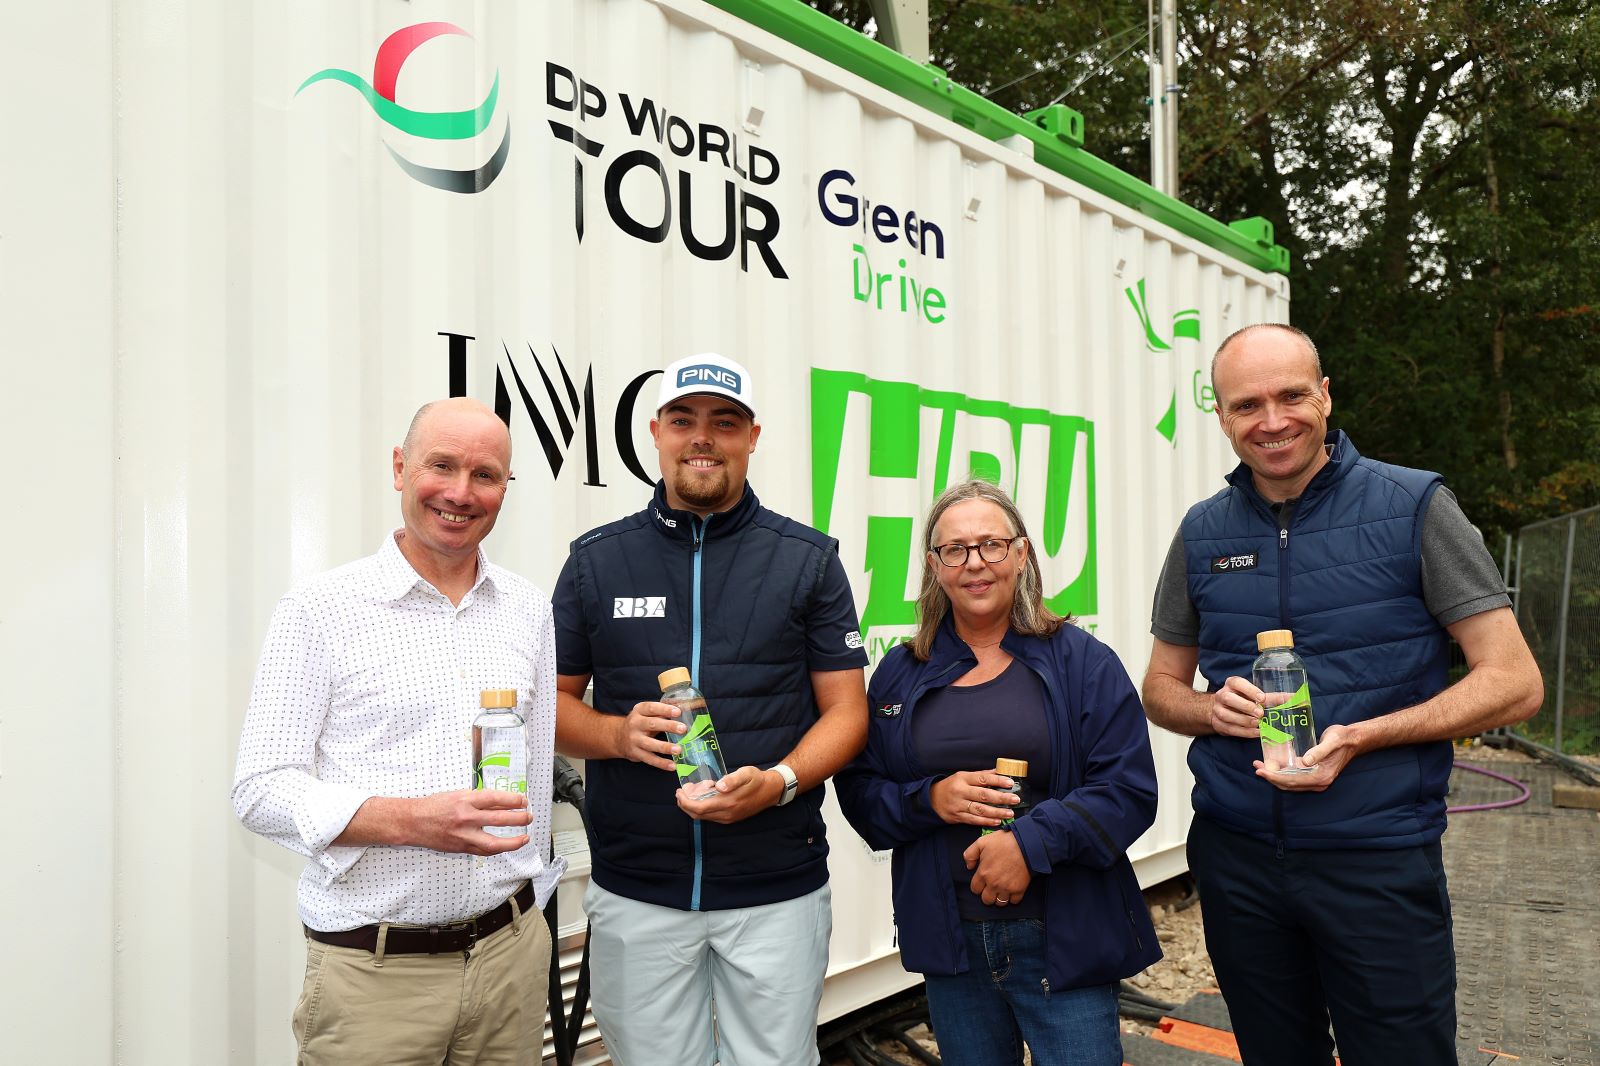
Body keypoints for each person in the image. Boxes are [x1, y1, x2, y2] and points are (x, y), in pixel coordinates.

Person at [1141, 323, 1543, 1066]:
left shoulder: (1414, 505)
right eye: (1246, 405)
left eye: (1291, 395)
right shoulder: (1202, 532)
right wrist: (1209, 710)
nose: (1272, 421)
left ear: (1325, 396)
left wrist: (1364, 735)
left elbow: (1514, 681)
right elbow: (1160, 691)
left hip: (1377, 857)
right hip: (1239, 862)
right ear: (1222, 417)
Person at [551, 353, 869, 1066]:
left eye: (724, 423)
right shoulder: (596, 562)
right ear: (657, 433)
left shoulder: (808, 561)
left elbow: (848, 712)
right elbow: (554, 709)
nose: (704, 438)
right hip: (639, 889)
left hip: (774, 890)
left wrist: (780, 782)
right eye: (685, 421)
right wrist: (617, 734)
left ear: (752, 436)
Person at [232, 397, 562, 1066]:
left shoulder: (528, 610)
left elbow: (536, 775)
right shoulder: (320, 610)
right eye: (441, 465)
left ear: (505, 487)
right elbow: (260, 791)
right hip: (375, 980)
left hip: (511, 960)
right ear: (399, 468)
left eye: (486, 475)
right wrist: (414, 821)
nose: (461, 493)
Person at [836, 479, 1160, 1066]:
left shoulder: (1082, 661)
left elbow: (1128, 790)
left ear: (1021, 553)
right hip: (950, 940)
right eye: (954, 549)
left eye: (991, 544)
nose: (974, 563)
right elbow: (859, 792)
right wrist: (929, 799)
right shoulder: (900, 673)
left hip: (1065, 934)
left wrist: (1028, 845)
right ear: (934, 567)